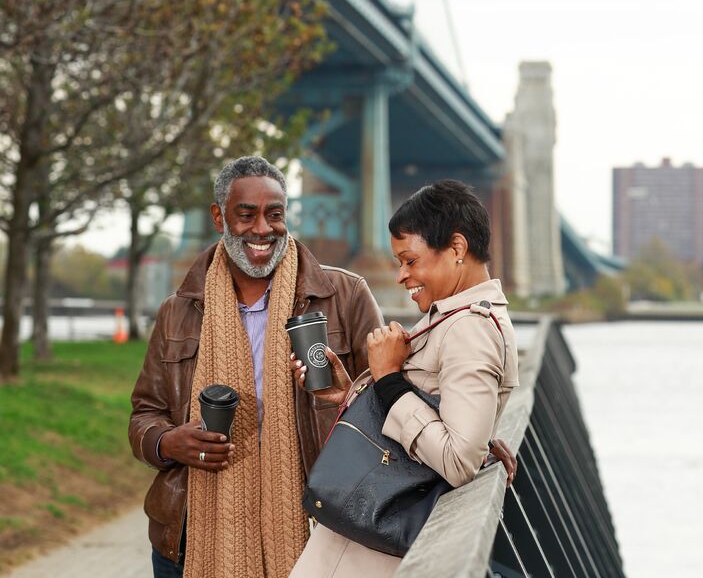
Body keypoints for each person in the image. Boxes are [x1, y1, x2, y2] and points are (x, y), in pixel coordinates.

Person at [128, 156, 384, 578]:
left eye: (275, 214)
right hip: (191, 541)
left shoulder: (345, 296)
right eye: (246, 215)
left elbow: (390, 393)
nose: (263, 229)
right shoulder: (177, 311)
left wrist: (466, 439)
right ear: (218, 217)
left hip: (317, 534)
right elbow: (144, 415)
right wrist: (169, 442)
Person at [289, 179, 520, 578]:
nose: (401, 276)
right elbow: (449, 423)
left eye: (410, 261)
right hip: (370, 532)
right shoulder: (457, 317)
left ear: (457, 249)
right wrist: (354, 391)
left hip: (371, 550)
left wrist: (389, 379)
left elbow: (456, 459)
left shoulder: (471, 328)